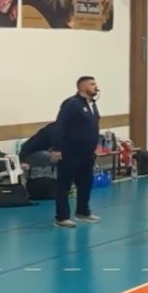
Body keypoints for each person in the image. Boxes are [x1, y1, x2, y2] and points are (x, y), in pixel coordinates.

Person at [51, 76, 102, 227]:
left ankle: (83, 212)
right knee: (64, 185)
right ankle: (61, 217)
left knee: (85, 183)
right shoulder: (71, 104)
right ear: (83, 87)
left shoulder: (92, 104)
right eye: (92, 84)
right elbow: (60, 125)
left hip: (87, 152)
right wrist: (57, 148)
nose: (96, 87)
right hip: (70, 151)